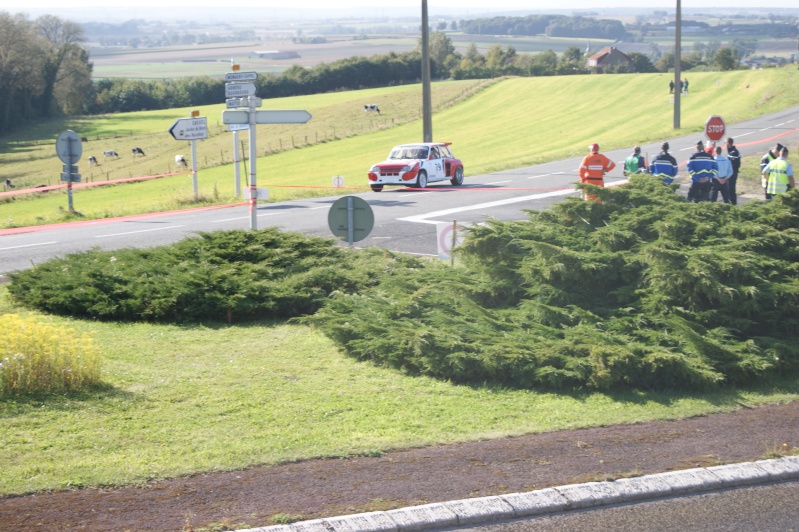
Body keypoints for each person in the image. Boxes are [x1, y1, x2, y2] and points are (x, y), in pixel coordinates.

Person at [725, 137, 741, 205]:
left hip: (732, 174)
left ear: (728, 143)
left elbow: (733, 165)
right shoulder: (731, 151)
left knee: (731, 189)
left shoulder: (733, 153)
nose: (725, 145)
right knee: (729, 189)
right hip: (732, 173)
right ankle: (731, 202)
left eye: (725, 143)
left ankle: (733, 203)